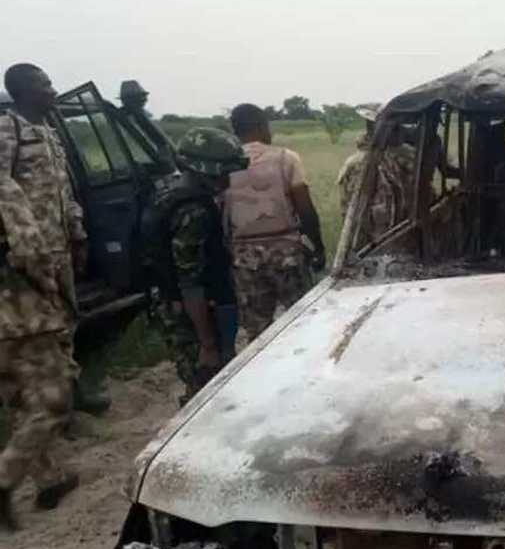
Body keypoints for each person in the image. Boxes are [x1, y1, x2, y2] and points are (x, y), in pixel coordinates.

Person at [0, 63, 91, 528]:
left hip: (55, 250)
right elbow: (5, 191)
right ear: (22, 91)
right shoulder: (8, 129)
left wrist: (76, 230)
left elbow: (63, 188)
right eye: (44, 85)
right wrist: (29, 254)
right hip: (28, 260)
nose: (53, 91)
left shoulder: (50, 133)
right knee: (36, 365)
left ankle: (51, 454)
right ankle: (41, 458)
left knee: (60, 342)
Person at [143, 127, 244, 406]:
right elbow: (189, 282)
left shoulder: (170, 192)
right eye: (223, 173)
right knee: (209, 384)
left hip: (183, 305)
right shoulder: (193, 211)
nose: (227, 180)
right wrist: (207, 343)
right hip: (192, 313)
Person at [227, 103, 325, 342]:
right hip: (285, 251)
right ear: (262, 126)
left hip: (244, 256)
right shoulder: (285, 158)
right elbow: (305, 208)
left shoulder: (225, 164)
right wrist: (318, 246)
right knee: (302, 320)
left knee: (257, 330)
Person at [335, 104, 415, 240]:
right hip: (373, 236)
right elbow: (348, 207)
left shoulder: (408, 156)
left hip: (404, 231)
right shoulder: (357, 163)